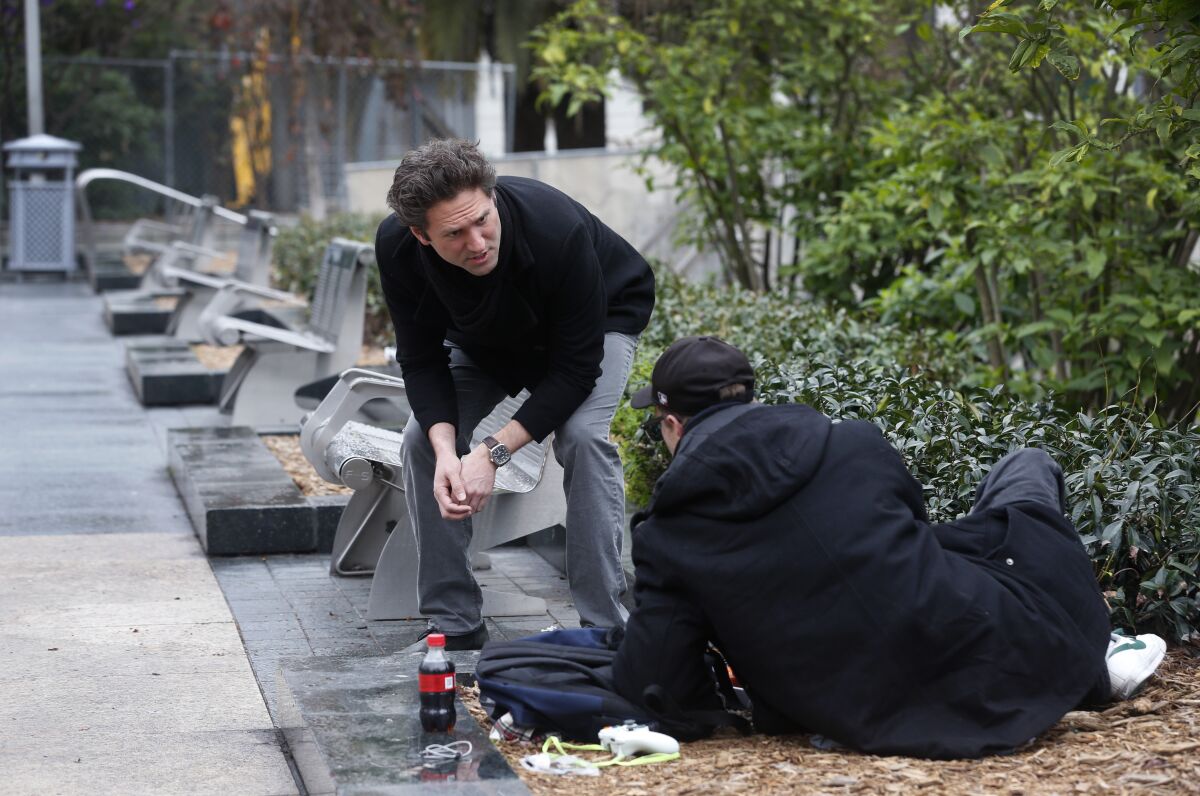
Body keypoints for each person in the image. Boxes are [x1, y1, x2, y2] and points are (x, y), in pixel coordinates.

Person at [612, 335, 1167, 759]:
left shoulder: (666, 534)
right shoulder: (855, 444)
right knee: (1027, 466)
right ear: (749, 399)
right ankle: (1098, 651)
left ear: (673, 426)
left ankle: (1095, 655)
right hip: (991, 655)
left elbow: (655, 676)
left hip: (847, 710)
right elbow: (912, 536)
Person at [376, 139, 655, 649]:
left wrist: (492, 452)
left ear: (493, 197)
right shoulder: (397, 248)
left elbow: (573, 371)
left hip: (595, 325)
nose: (477, 243)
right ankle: (455, 624)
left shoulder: (555, 228)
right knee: (421, 440)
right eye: (454, 234)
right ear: (420, 235)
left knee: (583, 441)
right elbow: (420, 359)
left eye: (483, 220)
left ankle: (606, 627)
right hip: (488, 338)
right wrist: (447, 453)